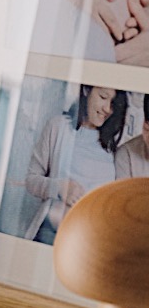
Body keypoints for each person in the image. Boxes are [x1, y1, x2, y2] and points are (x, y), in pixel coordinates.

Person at [22, 84, 126, 243]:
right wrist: (60, 187)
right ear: (86, 90)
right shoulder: (58, 127)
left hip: (91, 243)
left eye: (113, 103)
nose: (107, 109)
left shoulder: (113, 146)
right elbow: (31, 180)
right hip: (52, 234)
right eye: (103, 97)